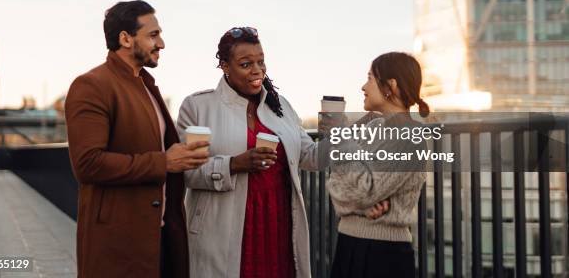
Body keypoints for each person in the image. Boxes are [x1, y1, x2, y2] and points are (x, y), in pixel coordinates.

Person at [65, 0, 209, 278]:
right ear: (125, 38)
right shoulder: (91, 85)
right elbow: (88, 164)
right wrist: (164, 162)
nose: (162, 44)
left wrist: (182, 155)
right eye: (153, 35)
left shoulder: (145, 84)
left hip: (163, 236)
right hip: (119, 243)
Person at [177, 27, 330, 278]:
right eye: (246, 64)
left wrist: (337, 135)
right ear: (225, 66)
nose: (257, 70)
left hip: (278, 224)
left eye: (261, 62)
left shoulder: (280, 107)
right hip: (224, 229)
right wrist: (234, 164)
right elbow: (187, 172)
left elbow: (311, 157)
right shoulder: (198, 107)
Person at [326, 52, 428, 278]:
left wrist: (341, 139)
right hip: (350, 244)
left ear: (390, 85)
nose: (363, 86)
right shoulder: (373, 130)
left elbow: (362, 189)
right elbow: (335, 186)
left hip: (382, 254)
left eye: (370, 78)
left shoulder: (409, 136)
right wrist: (362, 205)